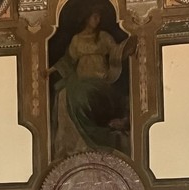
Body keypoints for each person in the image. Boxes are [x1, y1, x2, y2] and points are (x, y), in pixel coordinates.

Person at [45, 7, 137, 158]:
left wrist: (129, 48)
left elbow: (116, 53)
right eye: (94, 17)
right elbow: (67, 60)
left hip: (99, 80)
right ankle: (75, 143)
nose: (97, 20)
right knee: (63, 95)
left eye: (99, 17)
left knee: (81, 95)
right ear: (86, 18)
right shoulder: (77, 39)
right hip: (81, 79)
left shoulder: (103, 37)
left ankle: (90, 141)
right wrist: (49, 71)